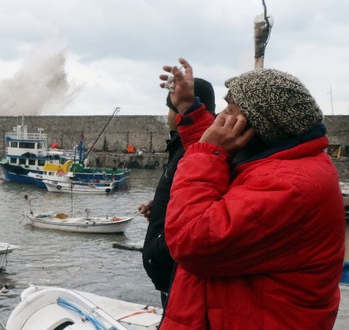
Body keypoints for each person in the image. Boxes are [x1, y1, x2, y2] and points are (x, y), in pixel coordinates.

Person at [157, 57, 345, 329]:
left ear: (259, 127)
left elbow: (191, 240)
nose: (220, 120)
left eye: (230, 112)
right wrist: (188, 108)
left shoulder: (289, 186)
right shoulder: (282, 161)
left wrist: (207, 152)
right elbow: (231, 154)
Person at [139, 78, 216, 309]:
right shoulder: (180, 146)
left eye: (169, 108)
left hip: (176, 271)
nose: (167, 116)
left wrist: (163, 247)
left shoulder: (192, 149)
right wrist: (161, 205)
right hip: (169, 271)